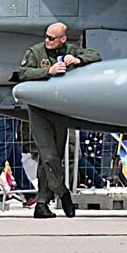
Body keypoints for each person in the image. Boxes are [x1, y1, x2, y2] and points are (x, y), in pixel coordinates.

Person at [16, 22, 101, 218]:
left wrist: (78, 60)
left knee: (55, 157)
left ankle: (42, 203)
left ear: (63, 39)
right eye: (46, 36)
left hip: (60, 110)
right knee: (48, 157)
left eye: (52, 38)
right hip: (39, 112)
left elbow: (95, 56)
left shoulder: (70, 50)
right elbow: (23, 73)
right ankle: (63, 193)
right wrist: (48, 72)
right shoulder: (35, 52)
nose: (47, 41)